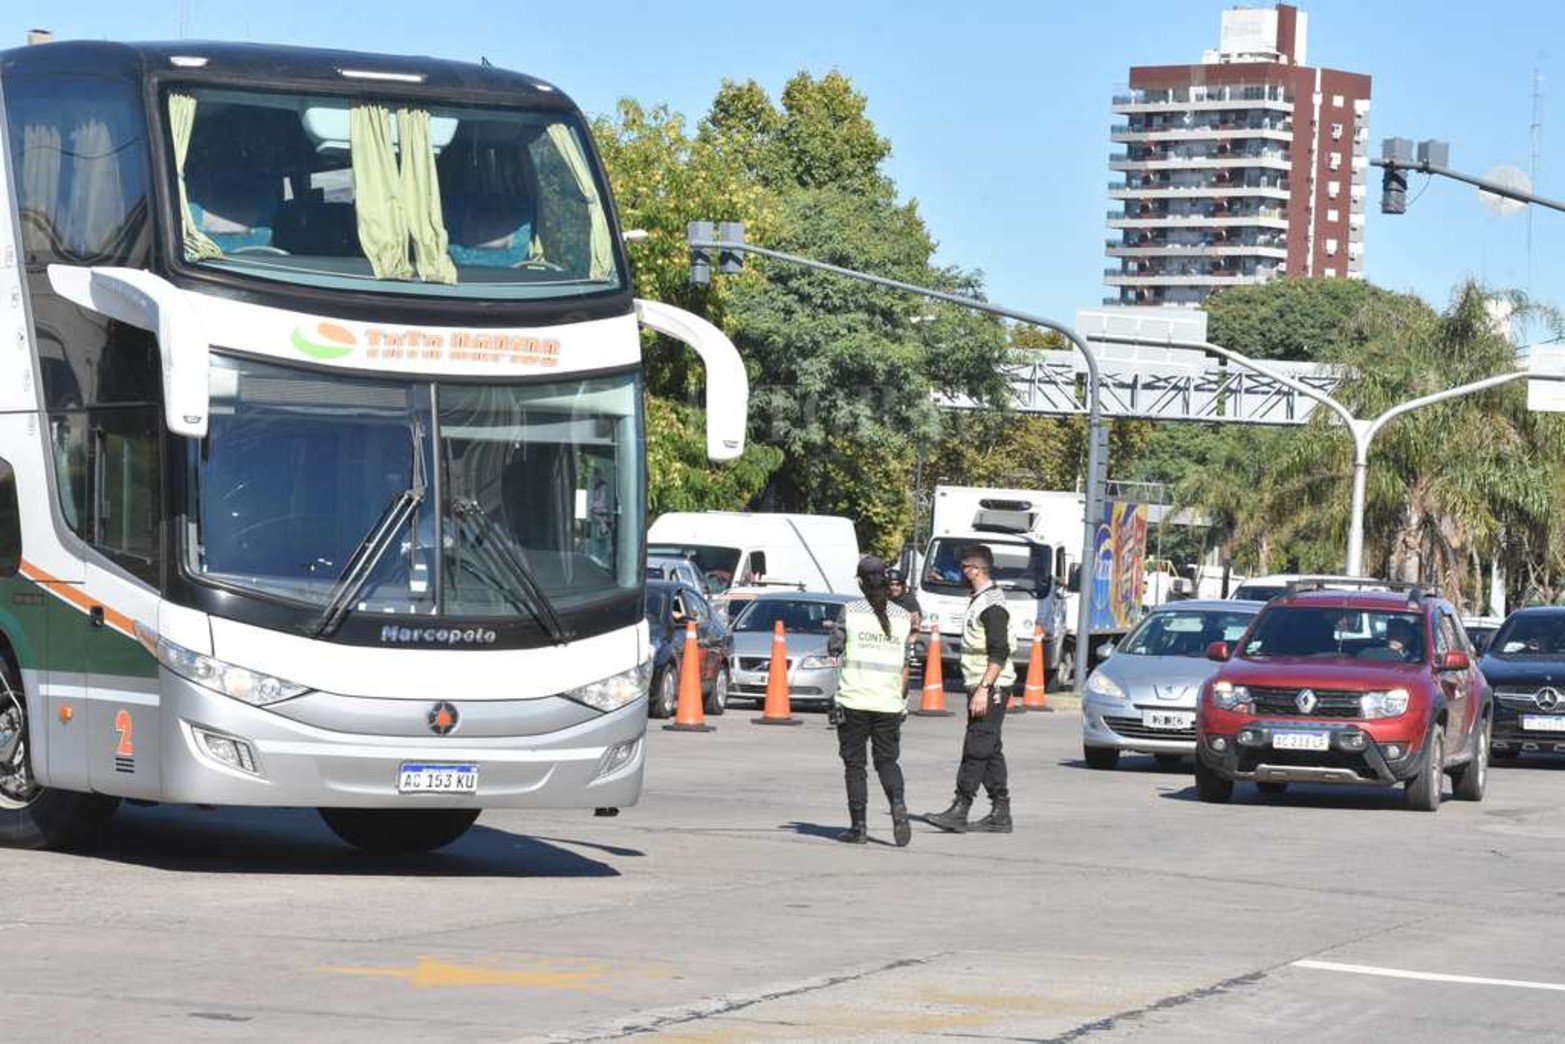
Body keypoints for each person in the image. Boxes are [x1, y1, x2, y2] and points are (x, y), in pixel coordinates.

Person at [926, 544, 1016, 834]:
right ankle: (1001, 813)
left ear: (975, 570)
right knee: (990, 749)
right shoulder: (980, 599)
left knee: (976, 747)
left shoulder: (992, 605)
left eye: (963, 568)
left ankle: (960, 808)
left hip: (991, 686)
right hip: (982, 684)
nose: (959, 573)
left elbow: (999, 651)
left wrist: (983, 689)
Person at [827, 555, 914, 846]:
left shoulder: (850, 612)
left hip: (853, 700)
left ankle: (859, 827)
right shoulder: (903, 617)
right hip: (888, 702)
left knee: (855, 765)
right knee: (887, 761)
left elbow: (834, 647)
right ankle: (898, 806)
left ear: (861, 582)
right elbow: (905, 662)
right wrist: (902, 701)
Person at [886, 567, 923, 633]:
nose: (894, 588)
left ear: (902, 586)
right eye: (891, 584)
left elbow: (915, 620)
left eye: (898, 585)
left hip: (902, 634)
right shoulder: (881, 598)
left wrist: (911, 638)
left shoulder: (909, 600)